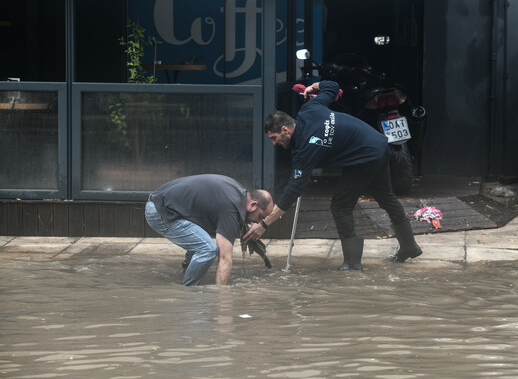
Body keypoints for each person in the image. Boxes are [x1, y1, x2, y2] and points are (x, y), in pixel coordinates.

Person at [243, 80, 422, 271]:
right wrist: (315, 86)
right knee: (385, 196)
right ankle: (409, 247)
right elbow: (332, 87)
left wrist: (264, 224)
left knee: (340, 205)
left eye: (274, 138)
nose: (274, 143)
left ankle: (352, 264)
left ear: (285, 130)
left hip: (366, 157)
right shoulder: (309, 109)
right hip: (378, 144)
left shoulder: (306, 147)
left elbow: (293, 191)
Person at [145, 174, 273, 286]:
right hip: (158, 212)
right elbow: (225, 258)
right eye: (260, 218)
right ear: (253, 205)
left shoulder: (238, 192)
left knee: (201, 240)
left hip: (161, 202)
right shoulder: (231, 209)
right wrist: (222, 301)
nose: (257, 223)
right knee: (208, 249)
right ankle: (186, 292)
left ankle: (185, 272)